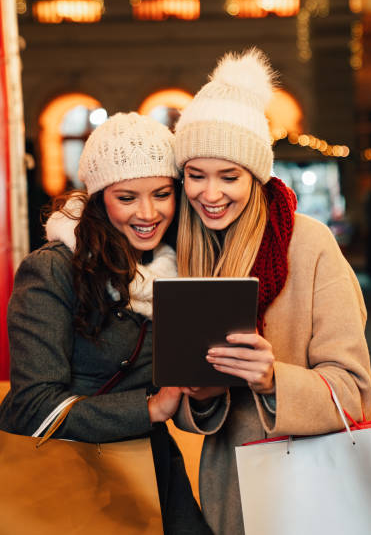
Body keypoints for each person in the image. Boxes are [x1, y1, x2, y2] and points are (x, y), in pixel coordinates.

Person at [172, 48, 371, 535]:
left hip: (312, 493)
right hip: (229, 494)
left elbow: (354, 392)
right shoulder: (185, 253)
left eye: (229, 176)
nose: (210, 193)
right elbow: (182, 402)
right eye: (195, 175)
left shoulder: (308, 244)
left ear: (256, 176)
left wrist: (272, 380)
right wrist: (200, 397)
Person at [0, 112, 212, 535]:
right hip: (69, 478)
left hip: (153, 470)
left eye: (162, 193)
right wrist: (148, 408)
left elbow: (188, 392)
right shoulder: (53, 270)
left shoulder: (178, 271)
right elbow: (29, 407)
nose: (148, 212)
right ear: (99, 199)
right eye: (127, 197)